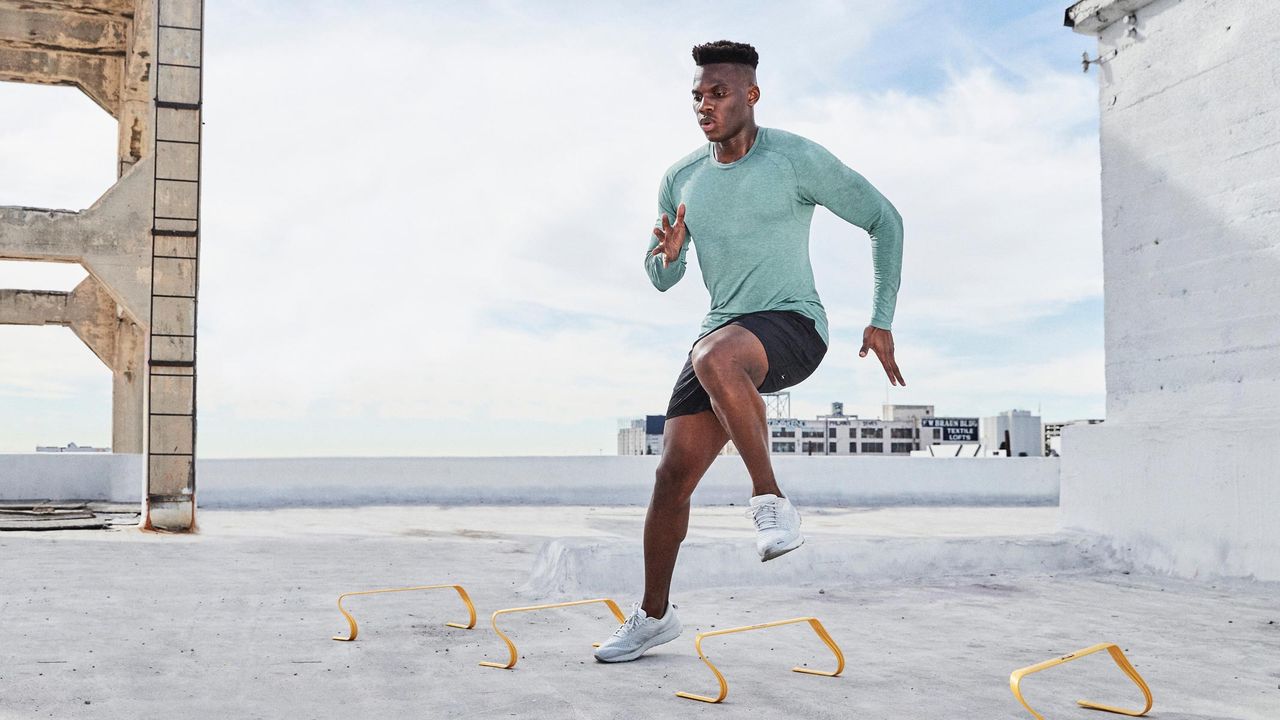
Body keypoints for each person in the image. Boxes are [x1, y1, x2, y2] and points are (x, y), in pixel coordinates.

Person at [594, 40, 906, 663]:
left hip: (793, 325)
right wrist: (673, 252)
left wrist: (881, 319)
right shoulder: (682, 177)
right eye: (697, 96)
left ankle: (770, 501)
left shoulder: (793, 159)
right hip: (721, 336)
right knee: (669, 481)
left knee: (716, 356)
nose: (704, 105)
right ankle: (654, 616)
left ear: (751, 96)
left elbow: (884, 219)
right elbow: (660, 278)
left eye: (718, 93)